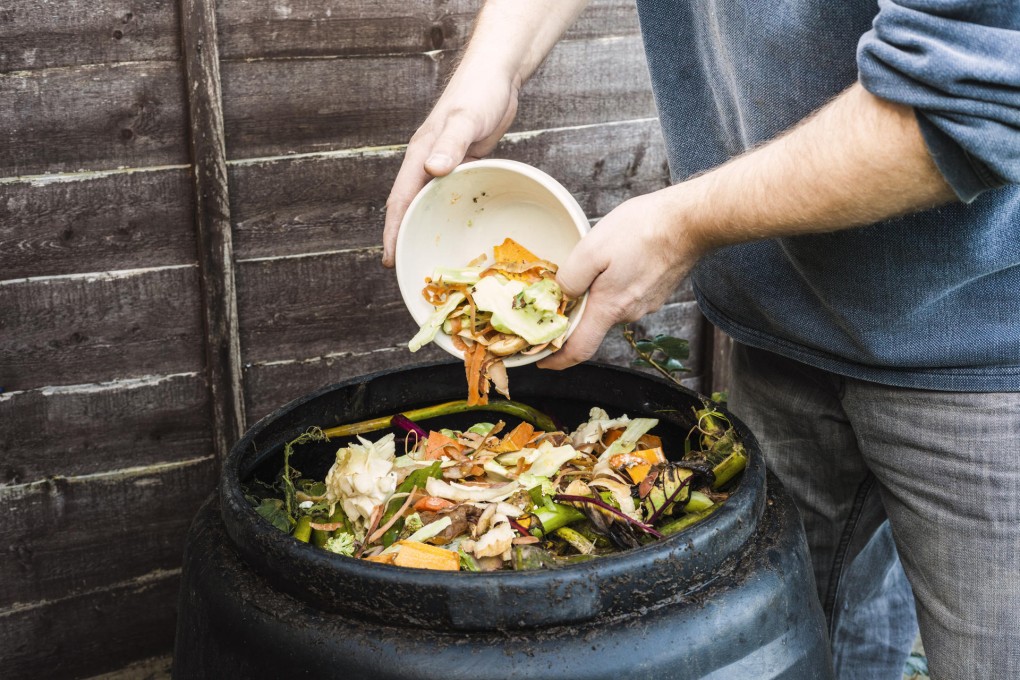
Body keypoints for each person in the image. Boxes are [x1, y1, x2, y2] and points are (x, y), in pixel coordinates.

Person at [382, 1, 1020, 678]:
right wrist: (493, 66)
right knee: (790, 649)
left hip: (985, 354)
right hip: (777, 327)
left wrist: (681, 227)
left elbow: (965, 103)